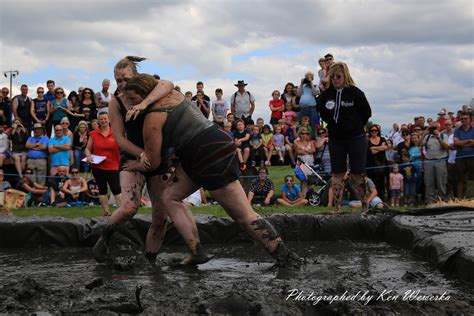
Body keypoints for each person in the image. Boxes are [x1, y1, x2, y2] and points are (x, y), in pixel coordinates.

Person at [123, 73, 302, 267]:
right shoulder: (173, 94)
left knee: (243, 215)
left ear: (146, 93)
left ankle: (286, 257)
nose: (131, 104)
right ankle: (196, 251)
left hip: (206, 153)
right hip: (212, 143)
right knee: (169, 196)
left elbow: (154, 162)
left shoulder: (152, 118)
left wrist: (137, 164)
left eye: (133, 99)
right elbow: (165, 83)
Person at [94, 56, 204, 265]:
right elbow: (118, 138)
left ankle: (150, 261)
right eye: (118, 81)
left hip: (160, 158)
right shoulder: (117, 103)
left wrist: (145, 103)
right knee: (128, 207)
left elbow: (168, 84)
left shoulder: (153, 90)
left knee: (160, 217)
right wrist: (142, 155)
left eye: (126, 79)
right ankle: (104, 237)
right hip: (133, 157)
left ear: (136, 77)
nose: (122, 85)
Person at [317, 62, 372, 212]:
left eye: (338, 76)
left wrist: (354, 125)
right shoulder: (327, 95)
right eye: (333, 77)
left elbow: (367, 113)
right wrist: (334, 125)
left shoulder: (355, 93)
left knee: (357, 173)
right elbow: (321, 111)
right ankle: (337, 207)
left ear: (345, 76)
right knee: (337, 173)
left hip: (356, 137)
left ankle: (365, 205)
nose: (335, 79)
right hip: (336, 138)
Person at [85, 112, 122, 216]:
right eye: (101, 119)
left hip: (113, 165)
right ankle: (106, 212)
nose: (103, 121)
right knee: (102, 189)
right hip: (97, 166)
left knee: (116, 188)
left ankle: (122, 212)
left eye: (105, 119)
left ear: (109, 119)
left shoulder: (116, 132)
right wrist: (88, 156)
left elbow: (123, 146)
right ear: (98, 121)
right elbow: (87, 149)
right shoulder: (93, 134)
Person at [422, 122, 449, 204]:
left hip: (440, 160)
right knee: (429, 181)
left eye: (435, 128)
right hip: (429, 161)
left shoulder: (443, 136)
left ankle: (443, 198)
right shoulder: (427, 137)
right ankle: (430, 200)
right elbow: (419, 144)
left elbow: (446, 147)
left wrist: (438, 138)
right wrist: (424, 134)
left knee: (441, 181)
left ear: (439, 128)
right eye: (432, 128)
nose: (433, 130)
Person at [453, 112, 474, 199]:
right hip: (460, 157)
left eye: (466, 118)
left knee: (473, 178)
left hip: (472, 157)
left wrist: (461, 143)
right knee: (460, 179)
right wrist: (469, 140)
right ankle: (460, 199)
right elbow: (456, 142)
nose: (464, 120)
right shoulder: (457, 130)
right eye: (462, 119)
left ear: (470, 119)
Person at [366, 125, 388, 199]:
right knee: (373, 184)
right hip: (372, 165)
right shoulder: (368, 140)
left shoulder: (382, 139)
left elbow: (385, 147)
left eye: (375, 130)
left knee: (382, 183)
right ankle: (374, 199)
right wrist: (380, 148)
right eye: (372, 130)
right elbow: (372, 152)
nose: (374, 132)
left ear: (378, 131)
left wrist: (374, 147)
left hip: (382, 164)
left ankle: (382, 199)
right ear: (370, 131)